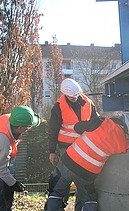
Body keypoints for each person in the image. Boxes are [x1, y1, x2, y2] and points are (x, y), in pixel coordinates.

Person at [45, 113, 129, 211]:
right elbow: (123, 150)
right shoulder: (123, 144)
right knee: (89, 200)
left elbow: (78, 127)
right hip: (87, 174)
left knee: (56, 193)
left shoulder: (101, 122)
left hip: (69, 162)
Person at [47, 78, 99, 210]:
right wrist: (52, 151)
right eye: (71, 97)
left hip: (85, 149)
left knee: (79, 182)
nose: (74, 98)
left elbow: (96, 123)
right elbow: (52, 130)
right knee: (65, 180)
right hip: (67, 149)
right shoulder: (58, 107)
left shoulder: (88, 103)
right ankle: (60, 205)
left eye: (76, 96)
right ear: (65, 94)